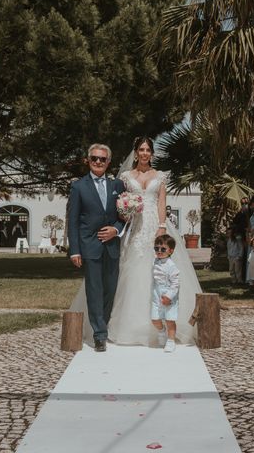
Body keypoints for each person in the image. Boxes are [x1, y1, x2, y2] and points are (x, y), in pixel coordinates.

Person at [70, 137, 199, 347]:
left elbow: (161, 202)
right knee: (130, 274)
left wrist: (162, 226)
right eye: (141, 149)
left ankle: (168, 328)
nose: (145, 153)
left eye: (148, 150)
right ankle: (126, 327)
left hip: (156, 225)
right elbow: (118, 206)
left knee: (164, 273)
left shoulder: (160, 176)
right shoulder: (125, 178)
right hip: (133, 227)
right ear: (136, 152)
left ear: (152, 154)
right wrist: (126, 215)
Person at [68, 144, 126, 352]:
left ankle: (105, 324)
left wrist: (116, 230)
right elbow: (72, 220)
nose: (98, 162)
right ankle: (99, 334)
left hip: (112, 246)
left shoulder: (117, 185)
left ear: (109, 162)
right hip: (89, 246)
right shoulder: (78, 187)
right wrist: (75, 250)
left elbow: (124, 217)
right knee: (94, 290)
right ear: (88, 161)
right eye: (94, 158)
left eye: (103, 159)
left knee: (110, 289)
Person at [151, 234, 179, 353]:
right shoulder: (155, 261)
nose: (159, 251)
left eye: (163, 249)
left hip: (169, 295)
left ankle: (171, 341)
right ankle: (161, 331)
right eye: (156, 248)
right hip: (157, 294)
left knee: (170, 320)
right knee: (154, 318)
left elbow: (175, 283)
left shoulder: (171, 266)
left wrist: (169, 296)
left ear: (170, 251)